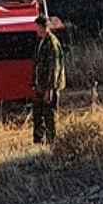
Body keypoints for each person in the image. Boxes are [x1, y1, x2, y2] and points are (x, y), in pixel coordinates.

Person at [31, 8, 65, 144]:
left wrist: (50, 89)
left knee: (49, 115)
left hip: (49, 86)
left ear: (43, 27)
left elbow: (54, 67)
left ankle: (52, 142)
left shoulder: (52, 43)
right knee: (38, 114)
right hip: (41, 84)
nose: (36, 30)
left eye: (38, 27)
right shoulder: (41, 41)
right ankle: (39, 141)